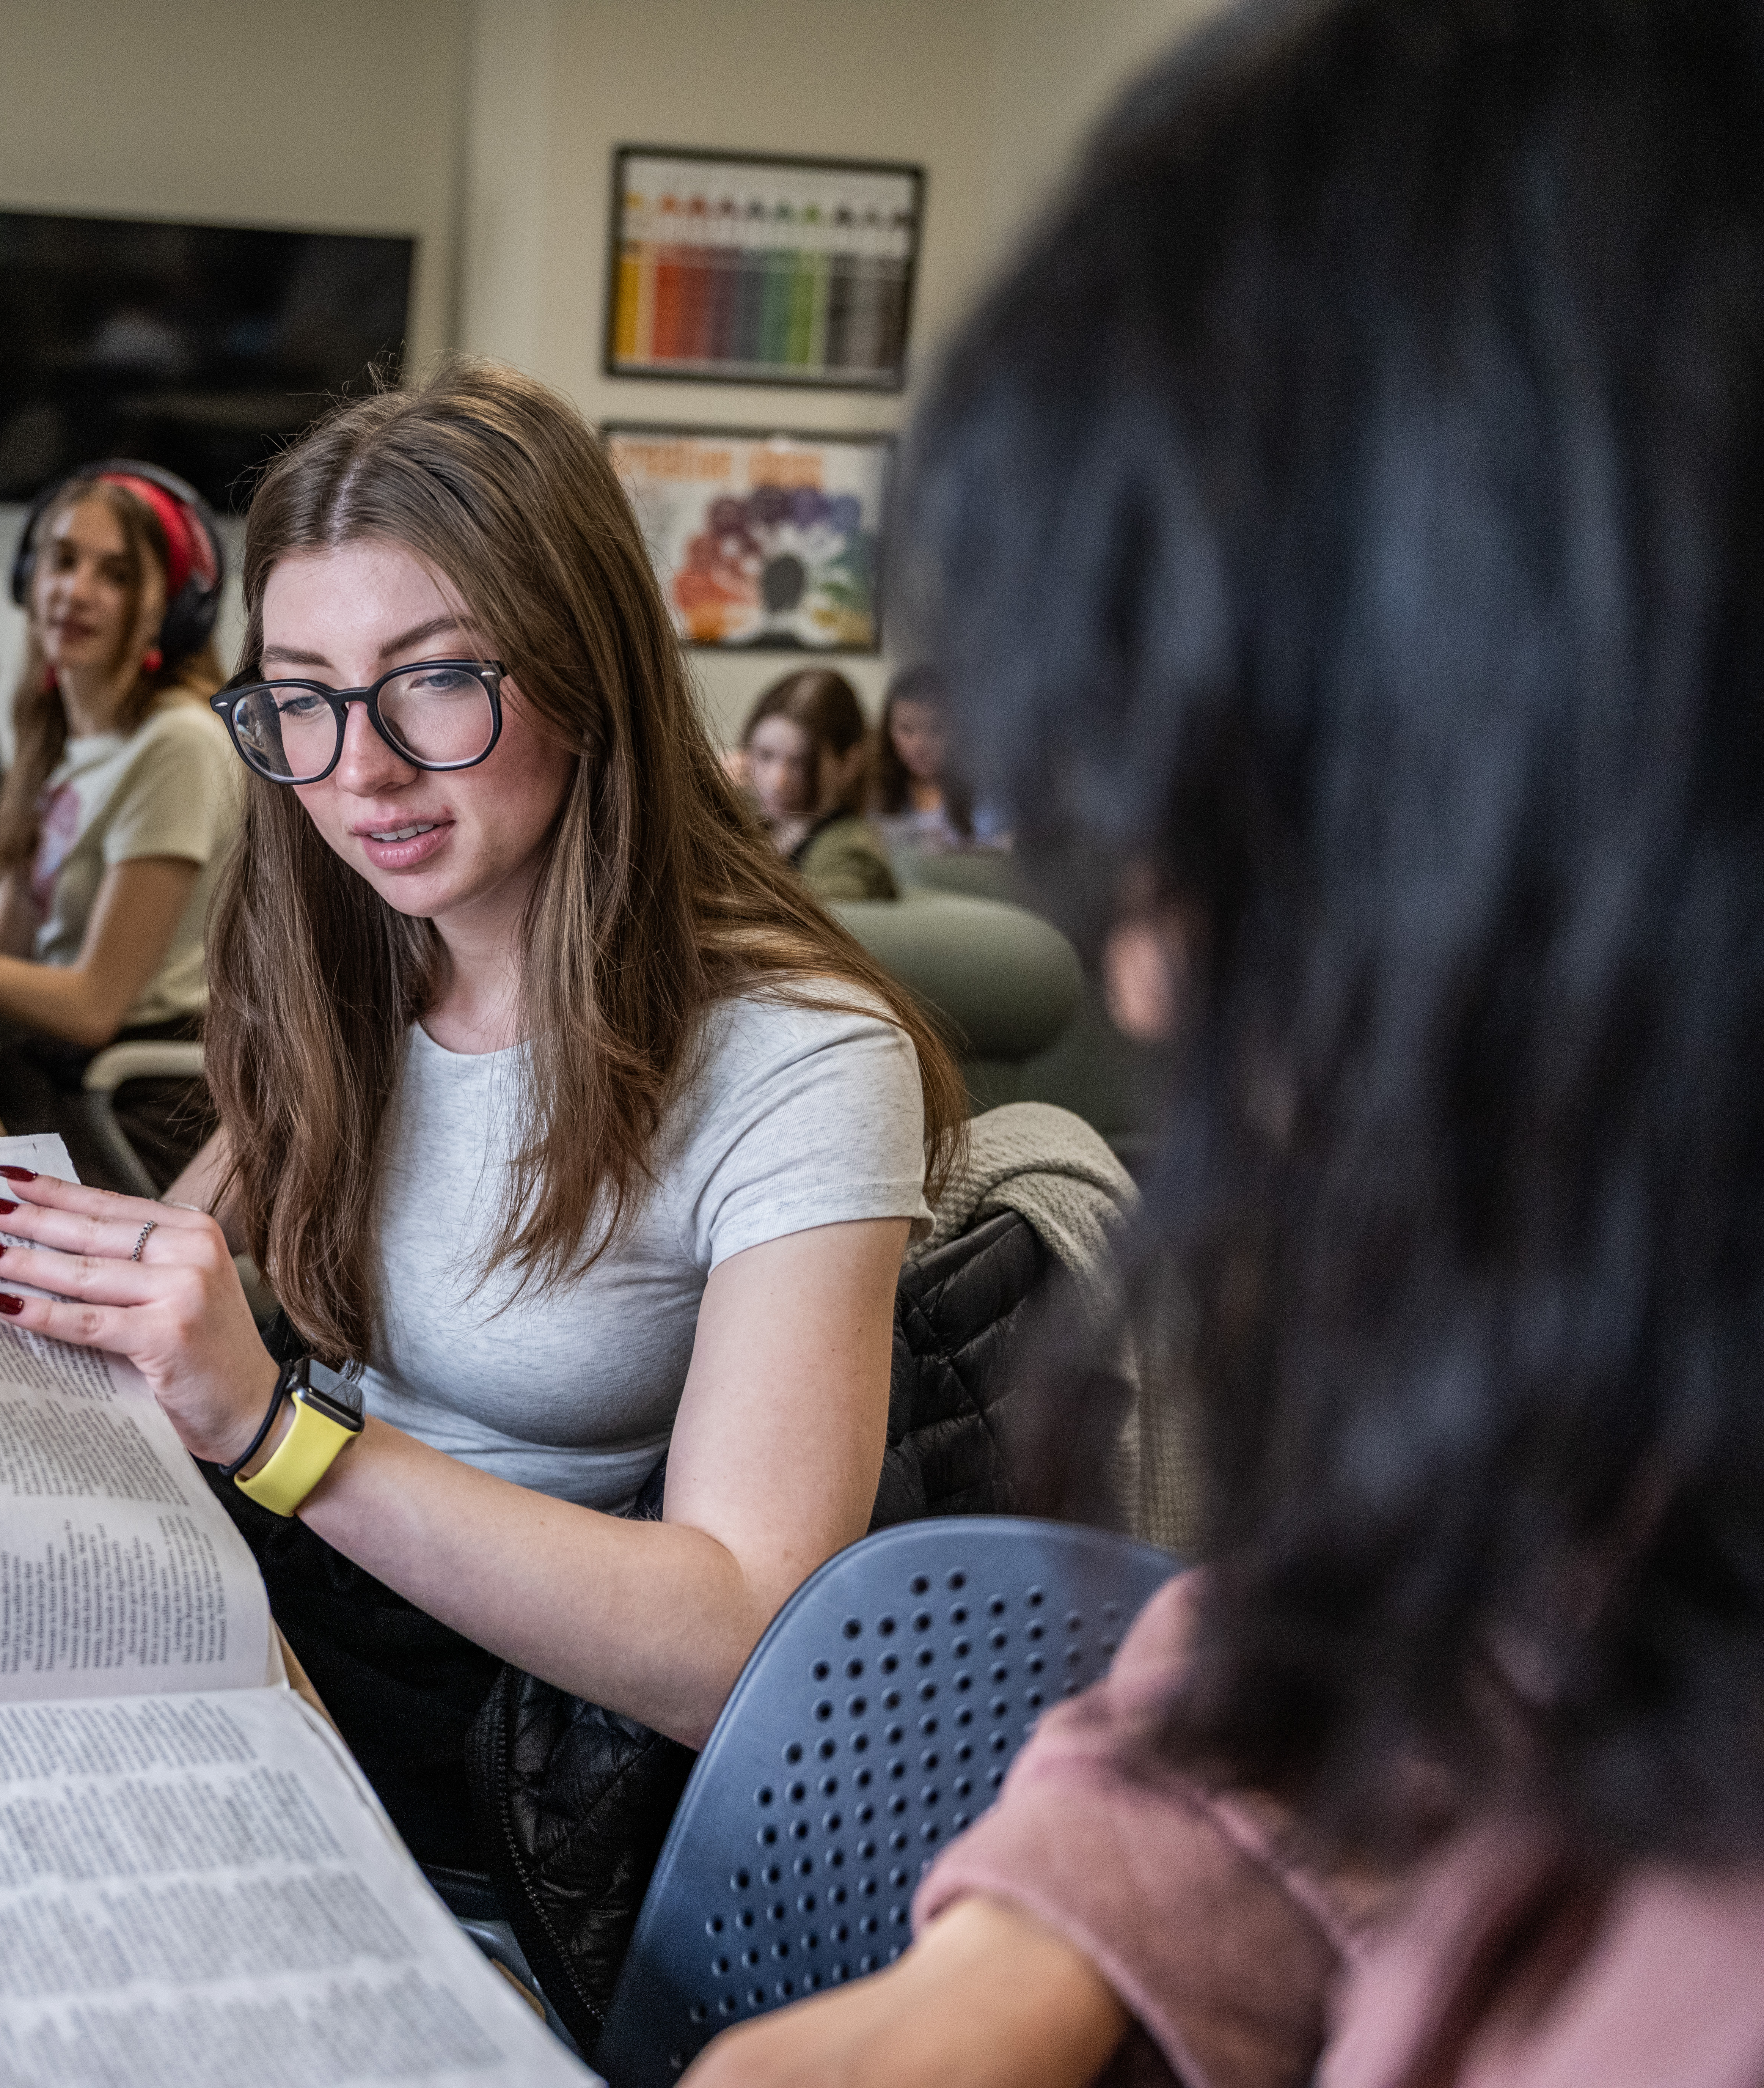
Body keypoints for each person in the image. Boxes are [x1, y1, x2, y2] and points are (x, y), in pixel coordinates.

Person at [688, 2, 1764, 2083]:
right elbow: (1431, 1619)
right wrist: (1005, 1972)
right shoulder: (1637, 1391)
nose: (1160, 980)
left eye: (1234, 820)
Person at [0, 361, 967, 1871]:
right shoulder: (354, 940)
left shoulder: (801, 1056)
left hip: (510, 1741)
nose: (356, 770)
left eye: (434, 675)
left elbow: (745, 1640)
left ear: (582, 668)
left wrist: (278, 1432)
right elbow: (202, 1234)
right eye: (300, 695)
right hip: (291, 1587)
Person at [0, 463, 239, 1187]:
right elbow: (2, 945)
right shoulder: (62, 742)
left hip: (137, 1109)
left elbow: (91, 1005)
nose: (75, 590)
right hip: (54, 1076)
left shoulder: (180, 742)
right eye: (62, 559)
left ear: (170, 609)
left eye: (115, 574)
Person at [741, 668, 898, 900]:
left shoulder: (855, 855)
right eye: (765, 755)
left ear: (849, 763)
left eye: (800, 763)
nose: (777, 781)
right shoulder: (750, 821)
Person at [869, 664, 993, 852]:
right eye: (906, 730)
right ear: (888, 731)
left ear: (957, 730)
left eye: (934, 730)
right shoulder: (876, 792)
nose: (919, 745)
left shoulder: (980, 794)